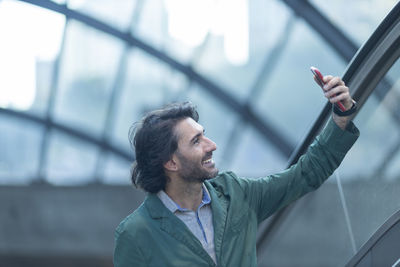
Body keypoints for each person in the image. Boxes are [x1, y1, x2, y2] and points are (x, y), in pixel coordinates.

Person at [113, 75, 360, 267]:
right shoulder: (136, 234)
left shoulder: (236, 194)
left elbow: (305, 175)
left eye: (204, 134)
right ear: (171, 163)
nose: (212, 146)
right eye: (196, 141)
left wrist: (342, 114)